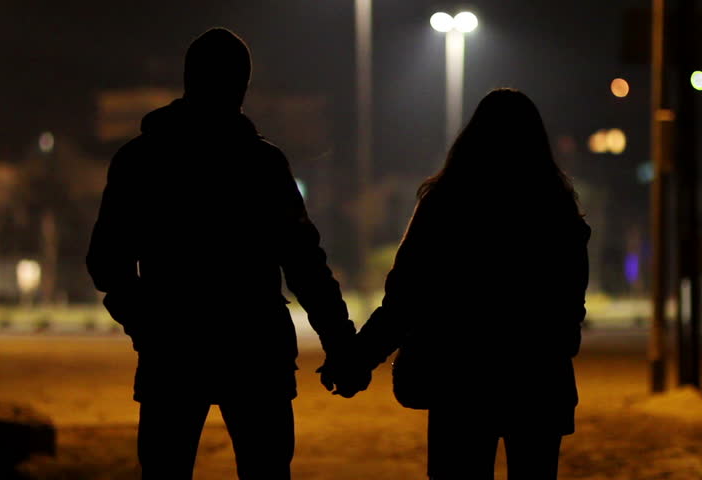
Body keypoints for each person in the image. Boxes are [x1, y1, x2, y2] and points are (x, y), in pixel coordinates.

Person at [86, 27, 367, 480]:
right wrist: (340, 342)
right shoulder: (263, 164)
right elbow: (304, 263)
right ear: (243, 86)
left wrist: (147, 324)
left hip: (172, 352)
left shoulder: (140, 159)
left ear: (187, 79)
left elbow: (106, 262)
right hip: (255, 351)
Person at [353, 88, 591, 479]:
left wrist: (359, 358)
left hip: (460, 381)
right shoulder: (556, 208)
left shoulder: (445, 203)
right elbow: (569, 303)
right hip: (537, 381)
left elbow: (407, 296)